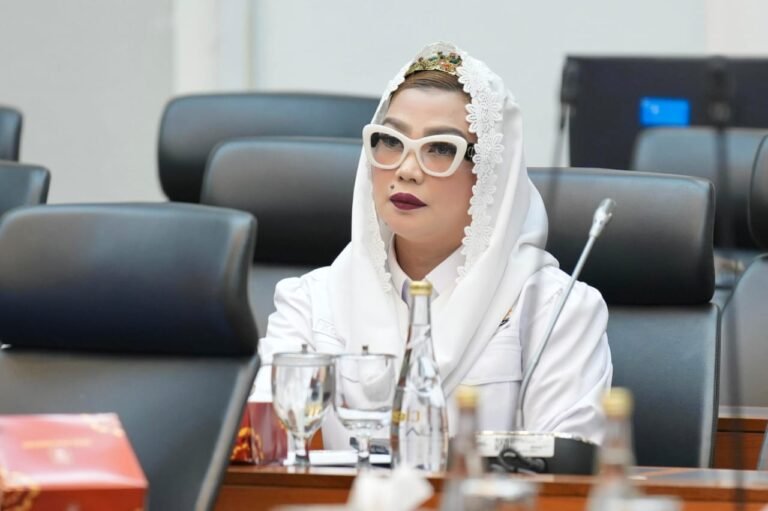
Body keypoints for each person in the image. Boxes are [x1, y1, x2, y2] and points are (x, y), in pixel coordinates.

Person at [255, 41, 612, 449]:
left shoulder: (554, 310)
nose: (406, 170)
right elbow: (262, 453)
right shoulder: (310, 302)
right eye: (391, 141)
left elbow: (567, 474)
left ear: (492, 174)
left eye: (441, 149)